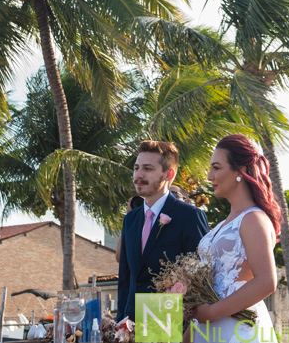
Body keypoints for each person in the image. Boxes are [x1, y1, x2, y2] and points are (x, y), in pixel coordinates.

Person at [191, 134, 280, 343]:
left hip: (238, 332)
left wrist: (211, 312)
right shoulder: (223, 224)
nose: (209, 176)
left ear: (240, 171)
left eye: (216, 168)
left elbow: (266, 281)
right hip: (207, 331)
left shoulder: (253, 219)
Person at [117, 140, 209, 323]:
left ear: (169, 174)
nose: (138, 175)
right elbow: (126, 279)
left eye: (147, 169)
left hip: (170, 323)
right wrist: (121, 322)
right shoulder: (130, 219)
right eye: (136, 168)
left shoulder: (190, 216)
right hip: (132, 324)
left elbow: (202, 279)